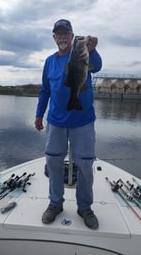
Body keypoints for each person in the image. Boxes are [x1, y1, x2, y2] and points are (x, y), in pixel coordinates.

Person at [34, 19, 102, 230]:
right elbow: (45, 90)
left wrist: (93, 48)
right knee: (53, 163)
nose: (62, 37)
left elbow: (97, 66)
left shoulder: (82, 55)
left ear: (72, 36)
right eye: (58, 34)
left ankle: (85, 208)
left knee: (85, 166)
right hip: (56, 121)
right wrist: (39, 115)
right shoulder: (49, 61)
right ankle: (55, 204)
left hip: (82, 121)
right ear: (54, 38)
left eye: (66, 33)